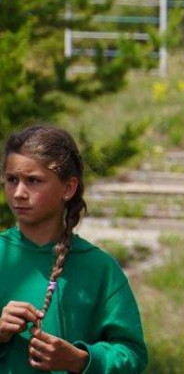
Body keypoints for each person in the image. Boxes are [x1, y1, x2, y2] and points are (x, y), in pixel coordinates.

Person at [0, 125, 148, 373]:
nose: (19, 193)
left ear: (68, 188)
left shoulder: (99, 268)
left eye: (33, 181)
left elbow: (132, 356)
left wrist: (81, 360)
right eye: (11, 180)